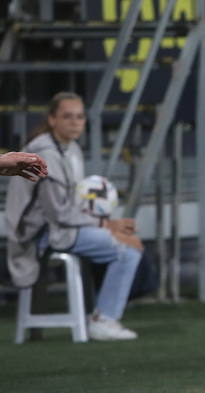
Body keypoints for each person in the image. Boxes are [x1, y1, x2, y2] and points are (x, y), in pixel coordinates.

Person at [4, 92, 142, 341]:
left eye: (80, 117)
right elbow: (59, 212)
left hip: (58, 226)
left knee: (128, 240)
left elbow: (71, 205)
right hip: (39, 234)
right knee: (127, 250)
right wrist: (107, 225)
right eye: (68, 116)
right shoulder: (45, 154)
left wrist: (107, 226)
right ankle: (104, 320)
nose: (75, 123)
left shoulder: (72, 149)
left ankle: (102, 313)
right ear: (52, 119)